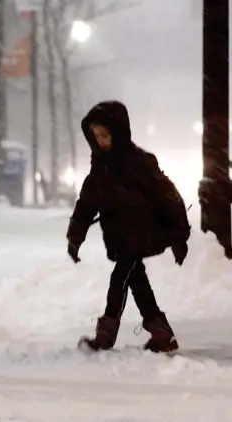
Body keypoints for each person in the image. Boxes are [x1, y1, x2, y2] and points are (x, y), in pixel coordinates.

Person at [67, 100, 191, 353]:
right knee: (137, 281)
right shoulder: (99, 169)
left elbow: (169, 197)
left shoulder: (140, 163)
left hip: (142, 235)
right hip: (119, 237)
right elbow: (86, 204)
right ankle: (161, 333)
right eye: (96, 135)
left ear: (119, 133)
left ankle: (107, 332)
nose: (100, 140)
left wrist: (178, 235)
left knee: (120, 278)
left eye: (105, 134)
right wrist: (75, 236)